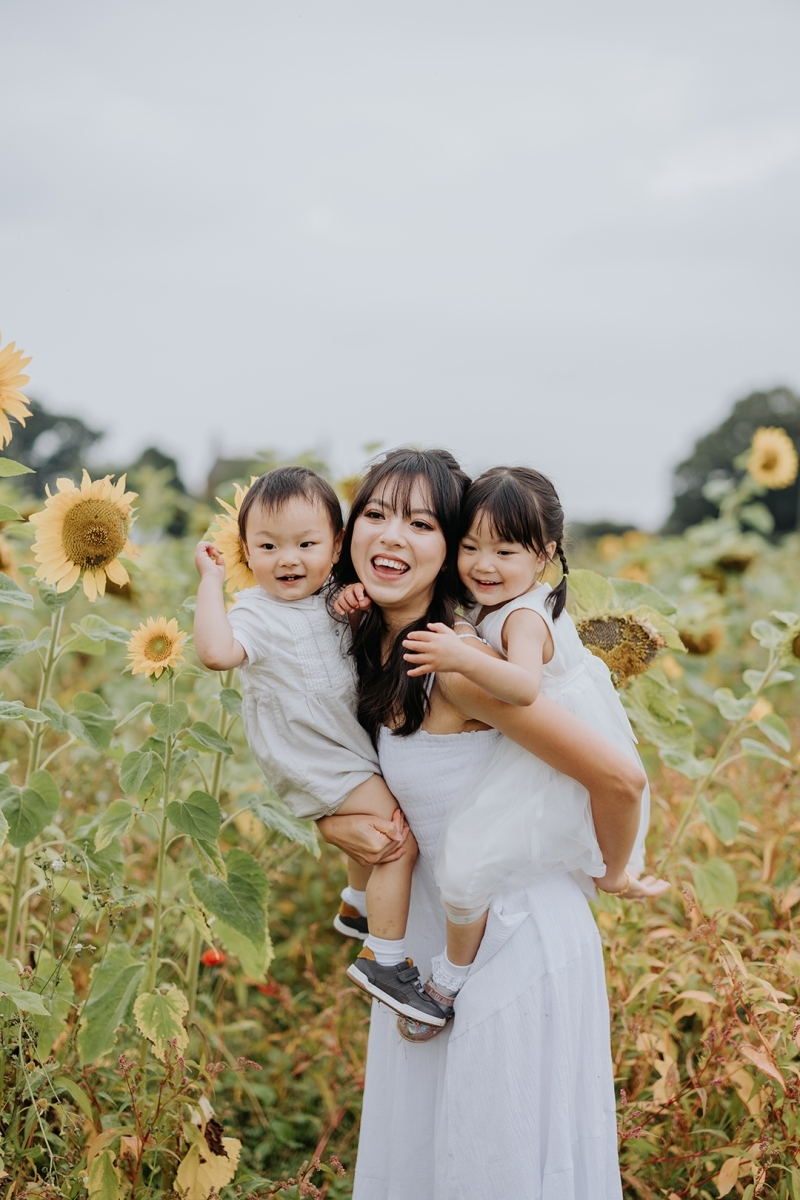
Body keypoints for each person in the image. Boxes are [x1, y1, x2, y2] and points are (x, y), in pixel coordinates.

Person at [318, 447, 664, 1199]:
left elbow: (619, 775)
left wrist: (615, 872)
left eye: (419, 522)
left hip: (510, 937)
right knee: (431, 1157)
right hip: (430, 948)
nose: (391, 537)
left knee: (495, 1162)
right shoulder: (376, 644)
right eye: (374, 515)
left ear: (443, 547)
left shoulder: (465, 664)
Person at [193, 465, 446, 1025]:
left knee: (379, 823)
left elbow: (345, 627)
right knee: (395, 839)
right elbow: (215, 654)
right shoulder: (256, 613)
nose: (288, 559)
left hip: (343, 748)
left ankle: (357, 907)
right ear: (246, 552)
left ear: (336, 548)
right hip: (311, 759)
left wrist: (354, 602)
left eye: (306, 544)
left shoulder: (335, 596)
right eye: (268, 546)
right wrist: (211, 586)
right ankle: (382, 960)